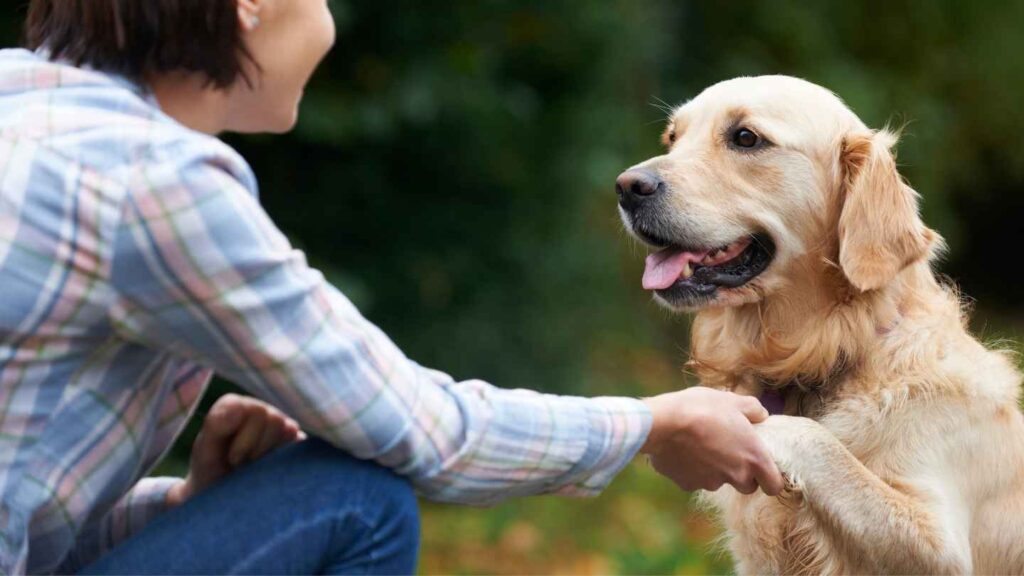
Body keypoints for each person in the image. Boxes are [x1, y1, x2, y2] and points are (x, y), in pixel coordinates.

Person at [0, 0, 784, 573]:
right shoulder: (156, 184)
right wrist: (654, 424)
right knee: (353, 497)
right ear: (251, 7)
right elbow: (425, 431)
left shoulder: (22, 103)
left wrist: (183, 506)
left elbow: (26, 517)